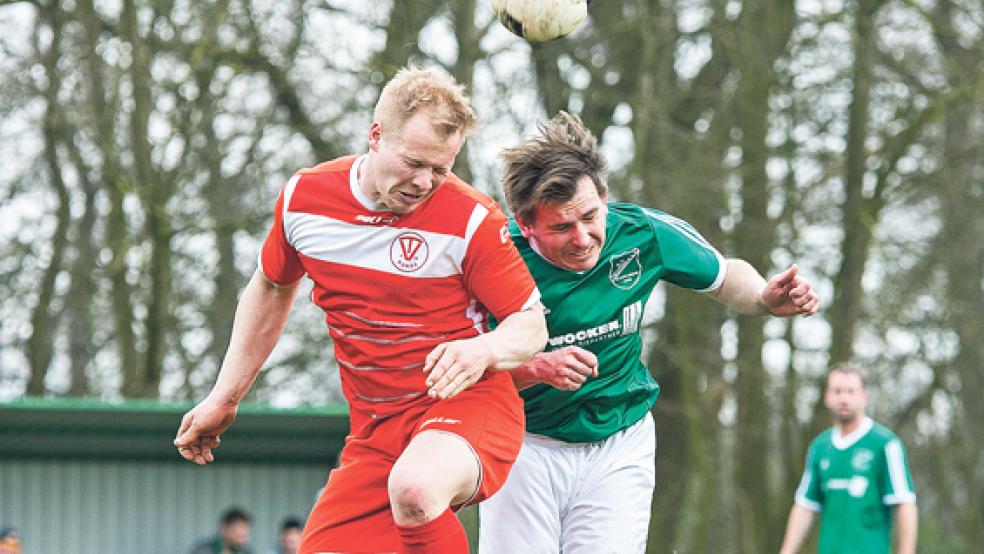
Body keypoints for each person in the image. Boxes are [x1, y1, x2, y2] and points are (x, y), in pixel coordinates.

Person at [174, 66, 547, 554]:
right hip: (375, 430)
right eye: (413, 162)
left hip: (470, 406)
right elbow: (271, 286)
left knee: (416, 487)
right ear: (376, 135)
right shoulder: (305, 200)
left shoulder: (471, 218)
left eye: (441, 168)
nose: (424, 182)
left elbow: (530, 324)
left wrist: (484, 349)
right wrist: (225, 395)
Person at [478, 111, 820, 553]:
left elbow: (722, 275)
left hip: (618, 444)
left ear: (604, 195)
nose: (583, 238)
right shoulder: (491, 258)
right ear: (525, 224)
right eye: (562, 226)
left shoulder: (641, 232)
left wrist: (762, 298)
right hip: (525, 444)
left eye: (589, 215)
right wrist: (534, 367)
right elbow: (460, 367)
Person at [779, 364, 917, 554]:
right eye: (837, 391)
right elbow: (805, 506)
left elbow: (904, 504)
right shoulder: (819, 447)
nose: (844, 398)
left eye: (851, 391)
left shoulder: (886, 444)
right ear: (827, 397)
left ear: (864, 397)